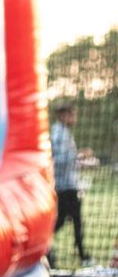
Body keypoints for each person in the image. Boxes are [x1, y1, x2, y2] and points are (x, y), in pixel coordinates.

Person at [50, 103, 90, 265]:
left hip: (69, 184)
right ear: (63, 115)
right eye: (72, 114)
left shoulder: (64, 132)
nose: (74, 117)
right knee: (73, 220)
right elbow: (57, 160)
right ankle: (83, 256)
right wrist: (79, 154)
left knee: (66, 219)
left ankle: (45, 245)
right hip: (65, 186)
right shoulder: (58, 134)